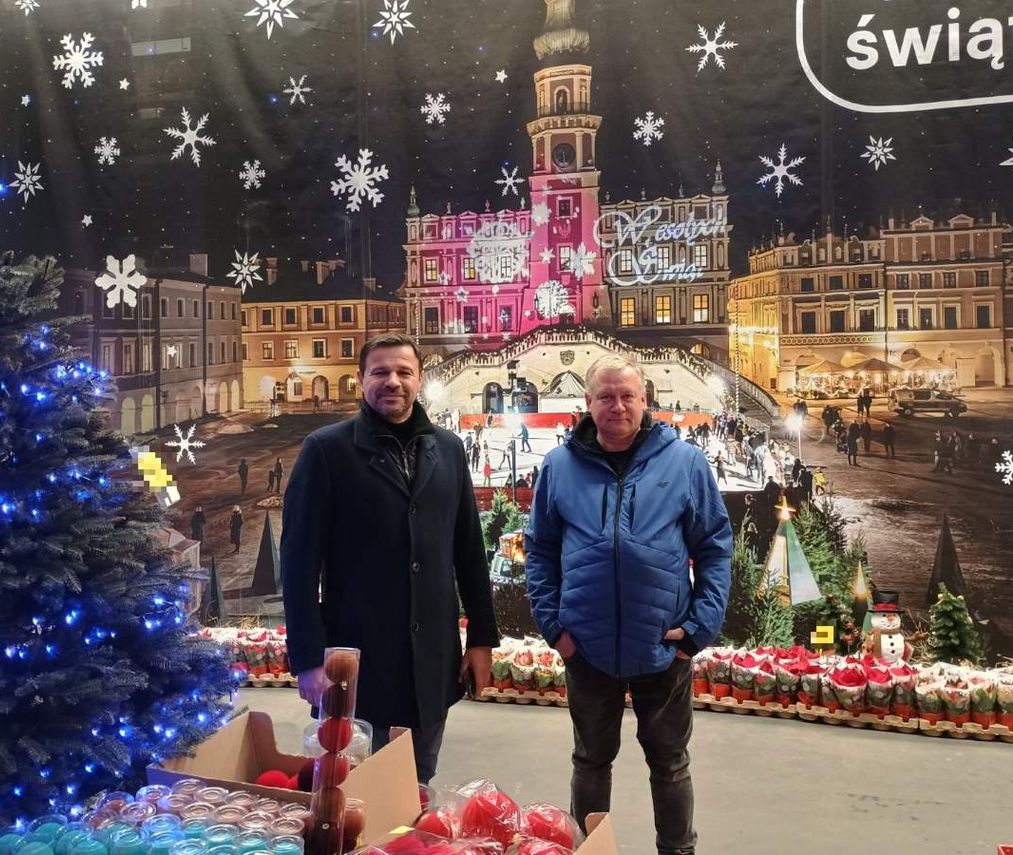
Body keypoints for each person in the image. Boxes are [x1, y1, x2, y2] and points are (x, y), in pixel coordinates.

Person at [525, 354, 731, 855]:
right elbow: (540, 549)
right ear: (587, 404)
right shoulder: (559, 466)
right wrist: (556, 628)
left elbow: (714, 546)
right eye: (606, 396)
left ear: (645, 401)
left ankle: (677, 852)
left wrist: (700, 627)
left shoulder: (685, 462)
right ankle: (590, 849)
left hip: (663, 644)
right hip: (588, 647)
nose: (617, 405)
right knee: (591, 762)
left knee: (670, 764)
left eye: (628, 396)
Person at [281, 333, 498, 785]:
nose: (392, 382)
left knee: (416, 789)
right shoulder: (326, 450)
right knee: (352, 793)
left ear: (420, 381)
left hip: (431, 663)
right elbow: (300, 563)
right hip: (358, 663)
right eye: (380, 372)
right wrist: (306, 658)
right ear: (360, 381)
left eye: (404, 372)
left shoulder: (450, 449)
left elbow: (469, 552)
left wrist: (481, 639)